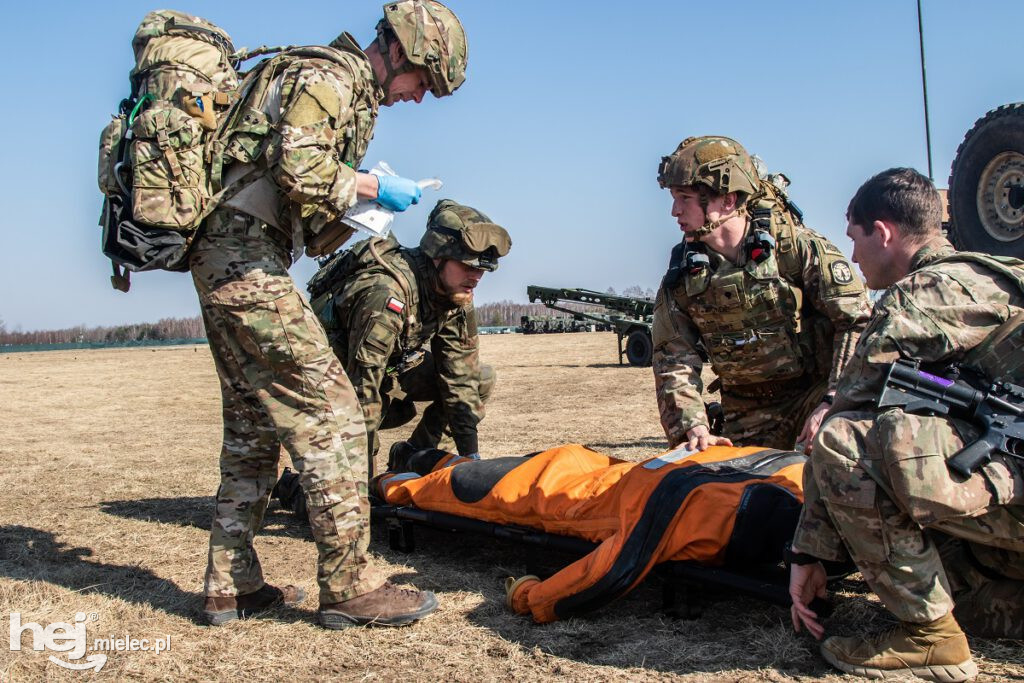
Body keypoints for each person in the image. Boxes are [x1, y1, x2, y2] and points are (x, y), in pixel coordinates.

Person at [190, 0, 468, 630]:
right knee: (334, 412)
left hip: (232, 257)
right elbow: (300, 168)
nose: (417, 98)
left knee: (254, 426)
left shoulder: (338, 88)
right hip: (244, 260)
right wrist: (372, 186)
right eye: (422, 82)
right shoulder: (329, 76)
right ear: (399, 51)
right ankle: (350, 584)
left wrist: (353, 212)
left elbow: (305, 209)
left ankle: (229, 584)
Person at [788, 168, 1024, 681]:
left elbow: (846, 418)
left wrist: (809, 552)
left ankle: (929, 639)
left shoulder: (920, 297)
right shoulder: (1004, 276)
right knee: (964, 585)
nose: (852, 257)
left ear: (884, 232)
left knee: (844, 442)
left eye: (855, 239)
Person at [652, 136, 872, 453]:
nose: (674, 211)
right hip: (745, 411)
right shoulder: (681, 277)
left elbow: (857, 321)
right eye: (674, 199)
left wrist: (835, 400)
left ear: (727, 200)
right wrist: (693, 425)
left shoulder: (795, 248)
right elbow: (672, 359)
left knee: (840, 457)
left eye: (684, 198)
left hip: (815, 394)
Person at [308, 199, 510, 475]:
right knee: (348, 494)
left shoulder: (455, 293)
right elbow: (362, 391)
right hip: (329, 386)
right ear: (437, 255)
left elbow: (460, 378)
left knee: (480, 380)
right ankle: (296, 488)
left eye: (482, 270)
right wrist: (363, 483)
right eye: (468, 266)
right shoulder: (386, 294)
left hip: (383, 376)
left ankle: (414, 458)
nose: (476, 277)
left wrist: (470, 458)